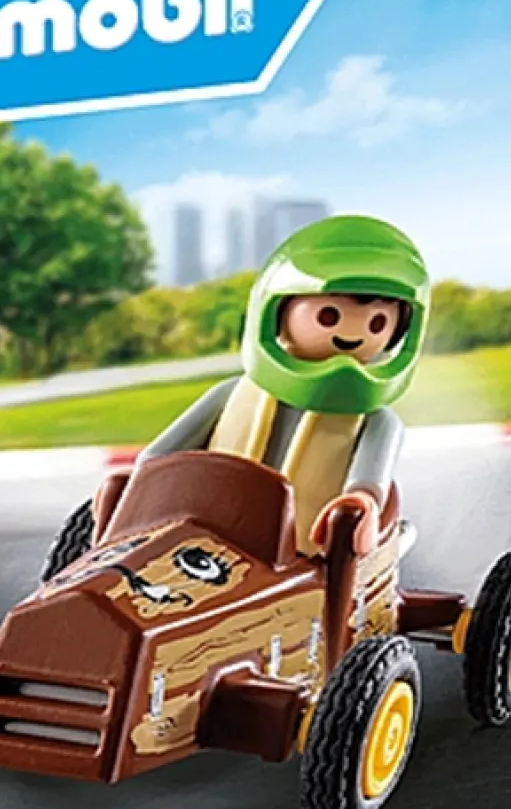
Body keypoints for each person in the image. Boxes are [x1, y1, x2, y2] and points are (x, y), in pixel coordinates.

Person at [139, 215, 431, 557]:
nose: (350, 335)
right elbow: (161, 456)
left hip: (303, 557)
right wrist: (137, 487)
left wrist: (361, 505)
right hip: (201, 535)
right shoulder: (230, 395)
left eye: (377, 323)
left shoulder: (376, 422)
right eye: (328, 316)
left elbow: (368, 482)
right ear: (275, 312)